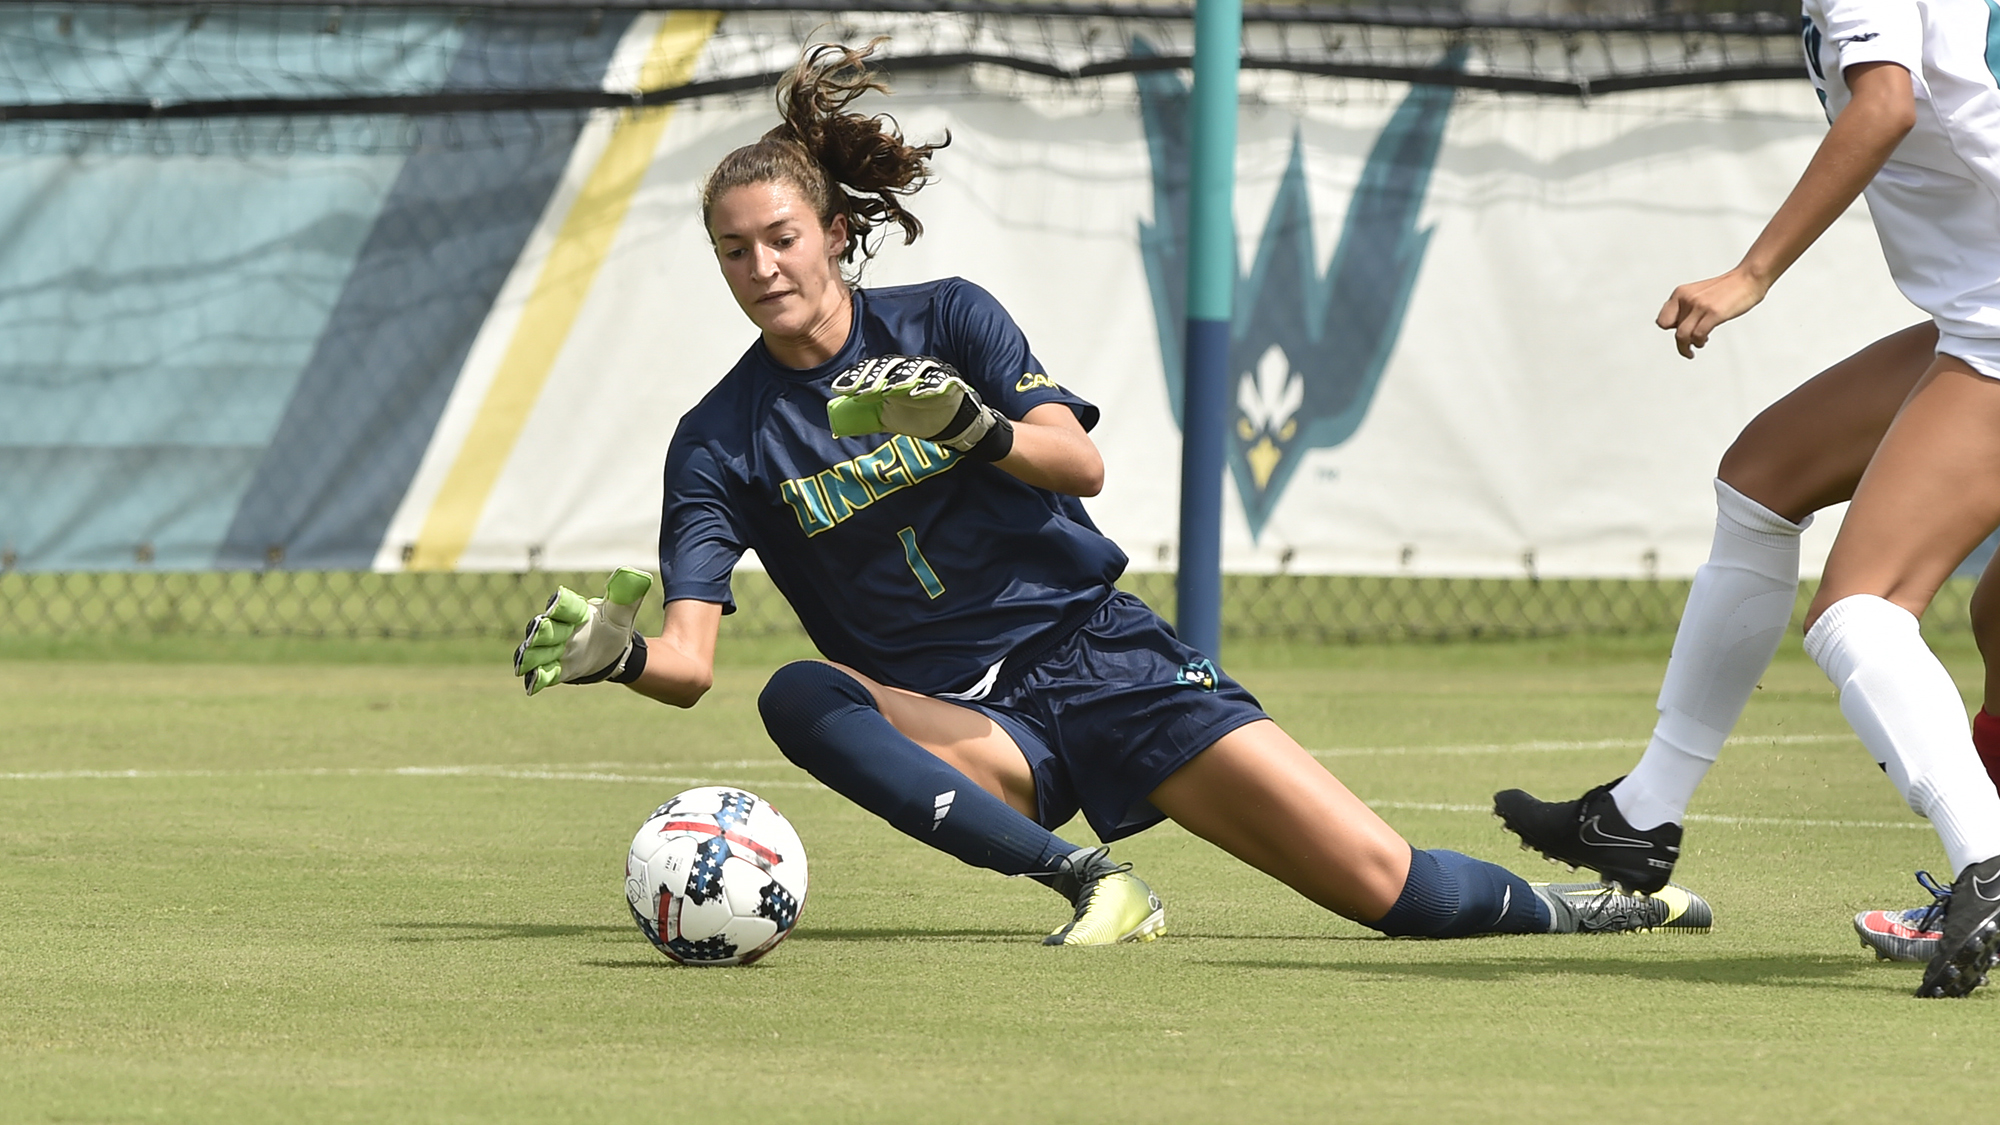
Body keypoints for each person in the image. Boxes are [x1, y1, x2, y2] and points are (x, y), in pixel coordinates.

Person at [512, 41, 1711, 949]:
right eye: (731, 249)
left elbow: (1078, 466)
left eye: (778, 236)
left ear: (833, 231)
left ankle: (1588, 910)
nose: (759, 267)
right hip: (969, 729)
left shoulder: (947, 319)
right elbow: (689, 661)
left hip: (1099, 657)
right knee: (798, 694)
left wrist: (971, 429)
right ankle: (1089, 881)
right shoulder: (717, 439)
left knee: (1385, 889)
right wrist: (617, 659)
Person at [1492, 0, 2000, 997]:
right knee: (1761, 479)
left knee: (1859, 612)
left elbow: (1884, 103)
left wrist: (1748, 273)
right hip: (1972, 315)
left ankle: (1987, 863)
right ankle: (1640, 815)